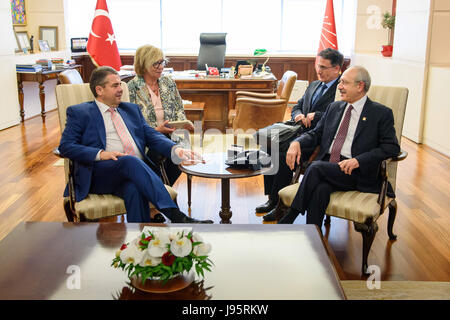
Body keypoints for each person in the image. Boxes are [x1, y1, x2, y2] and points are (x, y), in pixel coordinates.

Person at [59, 66, 212, 224]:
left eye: (120, 84)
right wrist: (100, 154)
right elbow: (66, 146)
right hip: (100, 173)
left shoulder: (131, 110)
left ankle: (139, 238)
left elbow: (151, 135)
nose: (120, 89)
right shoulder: (80, 112)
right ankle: (177, 216)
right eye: (115, 86)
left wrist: (176, 149)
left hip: (134, 172)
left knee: (133, 189)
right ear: (99, 90)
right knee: (129, 160)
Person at [278, 66, 400, 226]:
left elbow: (392, 147)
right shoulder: (334, 107)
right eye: (340, 82)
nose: (339, 86)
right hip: (330, 167)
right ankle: (313, 238)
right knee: (320, 190)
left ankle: (290, 216)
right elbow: (316, 134)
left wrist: (358, 161)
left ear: (360, 86)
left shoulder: (380, 113)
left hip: (355, 172)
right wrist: (296, 142)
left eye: (344, 83)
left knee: (314, 168)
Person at [257, 48, 344, 221]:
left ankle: (280, 204)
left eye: (324, 67)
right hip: (297, 130)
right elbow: (298, 105)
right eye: (318, 66)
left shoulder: (341, 89)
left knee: (282, 155)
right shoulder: (314, 85)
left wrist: (317, 116)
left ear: (337, 69)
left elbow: (341, 114)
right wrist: (297, 114)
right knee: (268, 145)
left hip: (317, 138)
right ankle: (272, 199)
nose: (319, 70)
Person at [128, 45, 194, 187]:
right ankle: (164, 195)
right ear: (143, 64)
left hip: (172, 133)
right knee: (161, 152)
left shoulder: (168, 82)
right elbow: (131, 122)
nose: (160, 67)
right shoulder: (131, 87)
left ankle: (162, 192)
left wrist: (182, 123)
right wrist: (157, 130)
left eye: (162, 62)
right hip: (148, 137)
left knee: (181, 153)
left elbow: (179, 108)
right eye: (155, 63)